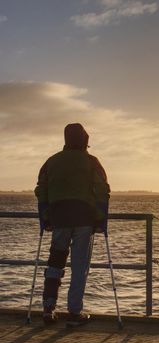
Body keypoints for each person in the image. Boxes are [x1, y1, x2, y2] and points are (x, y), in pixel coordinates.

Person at [34, 123, 110, 326]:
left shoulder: (51, 162)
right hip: (84, 219)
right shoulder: (91, 161)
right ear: (85, 140)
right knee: (79, 266)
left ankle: (48, 308)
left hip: (59, 219)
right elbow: (102, 189)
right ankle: (74, 313)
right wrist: (101, 219)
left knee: (55, 263)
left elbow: (41, 190)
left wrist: (46, 218)